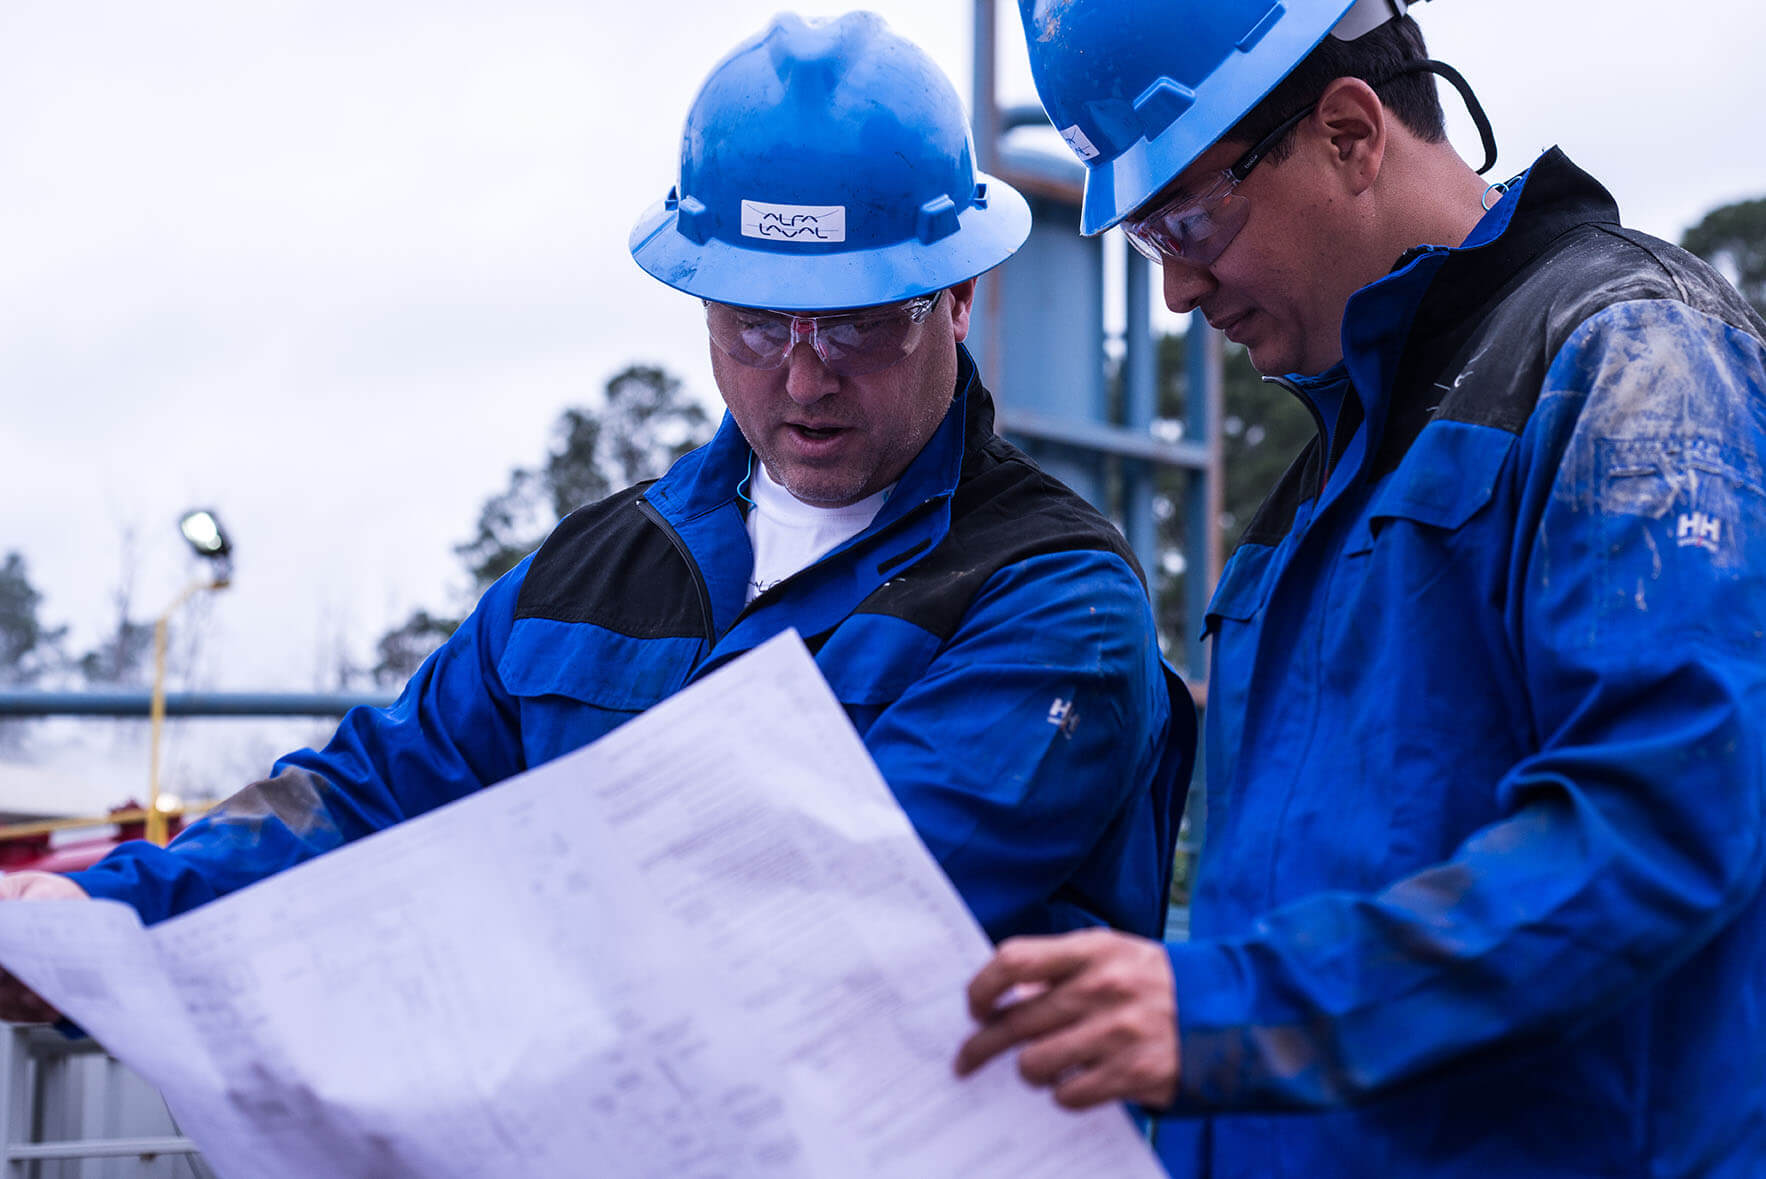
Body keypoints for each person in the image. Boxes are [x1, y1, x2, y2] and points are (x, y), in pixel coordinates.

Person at [0, 12, 1190, 1024]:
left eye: (860, 322)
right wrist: (106, 912)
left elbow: (836, 919)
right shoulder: (593, 573)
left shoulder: (1050, 602)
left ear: (959, 300)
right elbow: (377, 791)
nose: (805, 375)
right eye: (758, 323)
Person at [954, 1, 1766, 1176]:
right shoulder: (1314, 496)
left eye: (1186, 217)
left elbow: (1663, 820)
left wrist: (1221, 1011)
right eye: (1145, 239)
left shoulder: (1628, 358)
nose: (1177, 290)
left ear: (1347, 132)